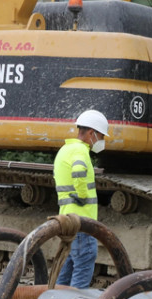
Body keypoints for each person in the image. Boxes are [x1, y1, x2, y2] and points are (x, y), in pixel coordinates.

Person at [54, 109, 109, 288]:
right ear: (91, 133)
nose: (102, 141)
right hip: (82, 222)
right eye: (101, 136)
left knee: (66, 269)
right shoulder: (80, 151)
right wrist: (83, 195)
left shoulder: (65, 149)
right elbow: (78, 171)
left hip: (68, 220)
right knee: (83, 269)